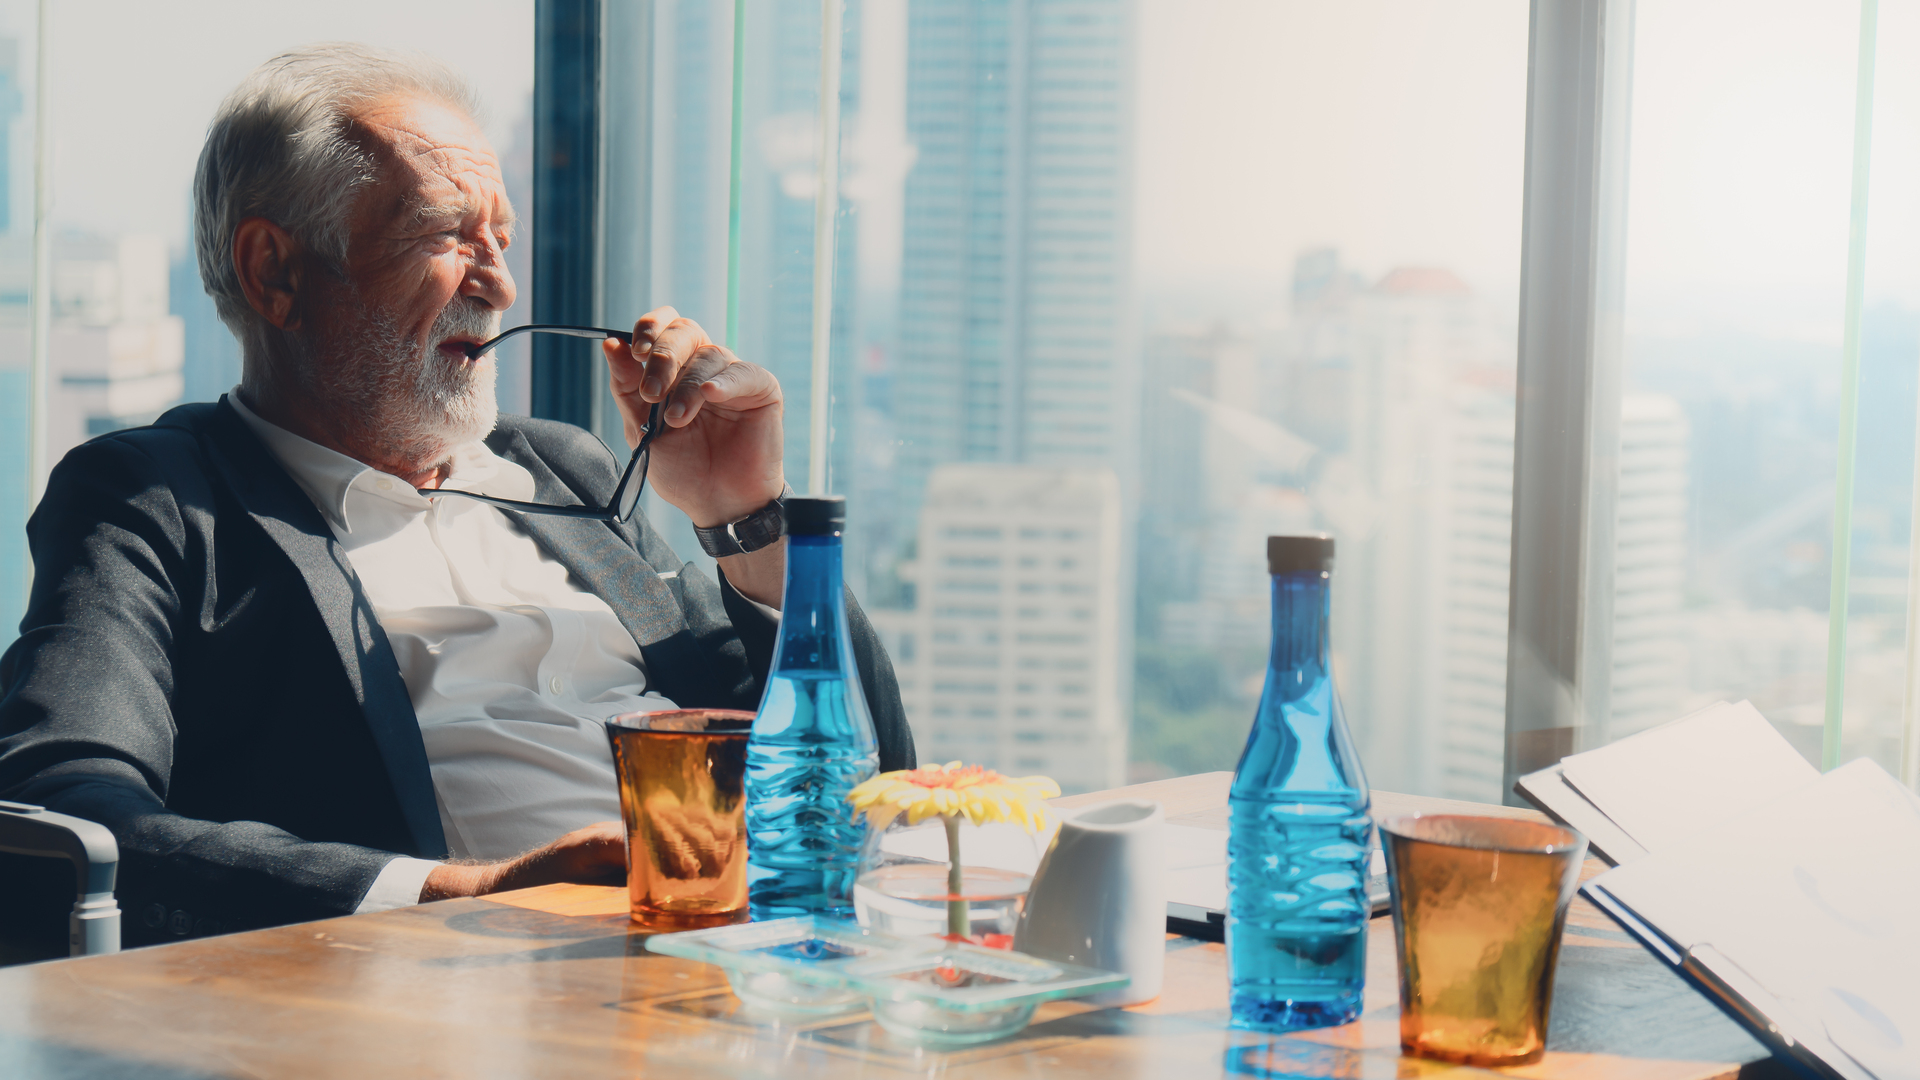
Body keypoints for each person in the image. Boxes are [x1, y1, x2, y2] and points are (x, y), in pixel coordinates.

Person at [0, 44, 912, 949]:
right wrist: (461, 895)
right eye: (445, 235)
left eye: (500, 239)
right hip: (451, 996)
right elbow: (63, 816)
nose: (501, 284)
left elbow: (871, 776)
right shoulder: (154, 498)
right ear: (275, 271)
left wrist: (743, 515)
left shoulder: (567, 472)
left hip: (733, 956)